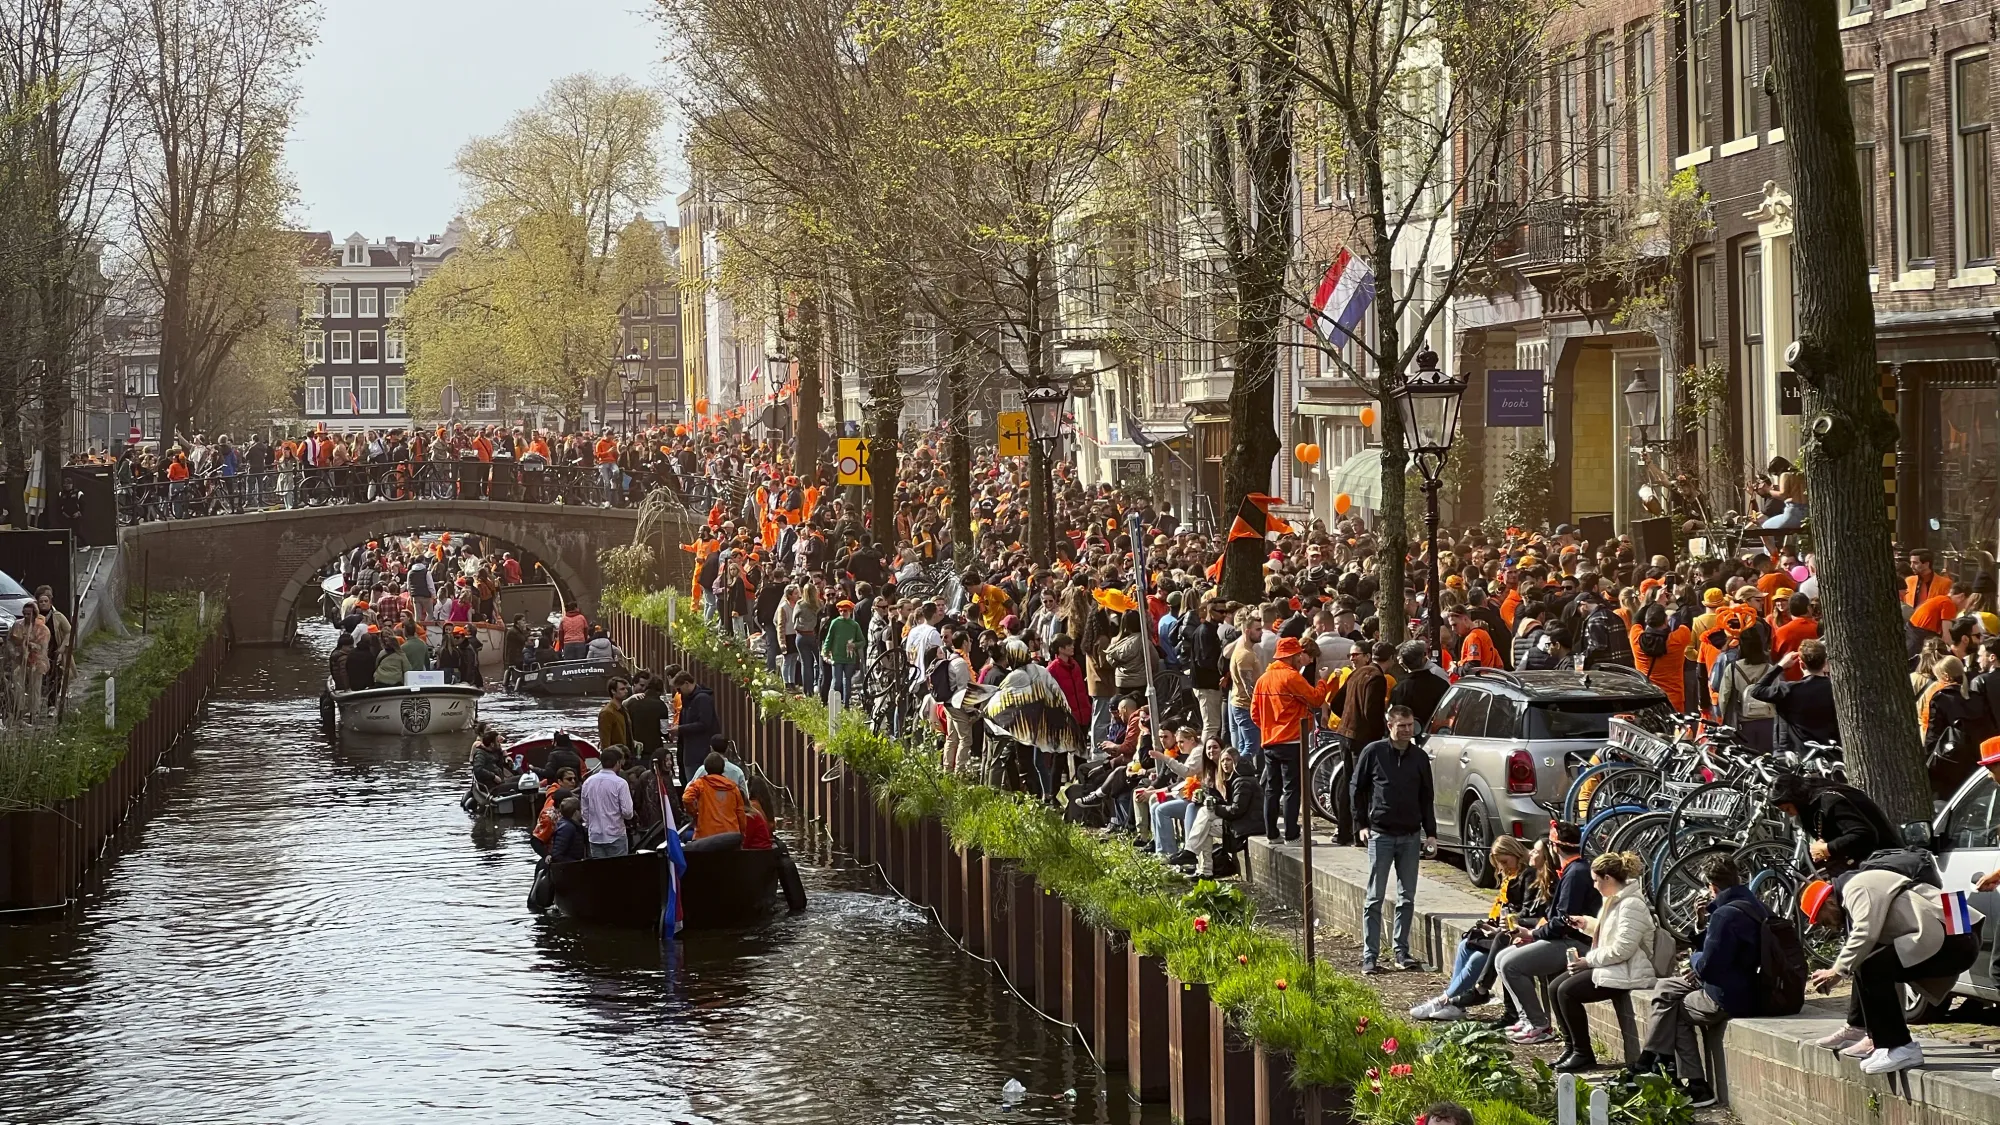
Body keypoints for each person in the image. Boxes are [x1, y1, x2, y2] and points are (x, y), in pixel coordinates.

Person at [1802, 869, 1986, 1075]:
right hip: (1959, 922)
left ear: (1829, 902)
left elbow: (1865, 933)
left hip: (1956, 930)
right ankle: (1879, 1040)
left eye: (1823, 920)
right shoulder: (1858, 886)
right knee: (1869, 964)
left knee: (1871, 966)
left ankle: (1899, 1046)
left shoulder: (1855, 888)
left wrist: (1836, 971)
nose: (1828, 927)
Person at [1634, 855, 1763, 1107]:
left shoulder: (1725, 916)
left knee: (1677, 1011)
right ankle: (1653, 1058)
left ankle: (1694, 1082)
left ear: (1712, 887)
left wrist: (1695, 961)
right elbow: (1720, 952)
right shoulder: (1752, 904)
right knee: (1664, 987)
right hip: (1744, 982)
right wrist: (1702, 921)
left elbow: (1708, 966)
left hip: (1728, 994)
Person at [1549, 850, 1658, 1073]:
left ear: (1608, 878)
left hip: (1629, 971)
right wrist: (1587, 925)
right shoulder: (1613, 900)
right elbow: (1610, 934)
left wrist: (1588, 961)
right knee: (1554, 987)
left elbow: (1622, 949)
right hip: (1614, 966)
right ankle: (1571, 1047)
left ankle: (1583, 1053)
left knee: (1567, 991)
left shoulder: (1631, 905)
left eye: (1596, 880)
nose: (1594, 885)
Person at [1495, 820, 1601, 1045]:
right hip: (1564, 937)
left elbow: (1564, 922)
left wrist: (1533, 935)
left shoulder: (1575, 874)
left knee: (1510, 965)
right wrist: (1532, 931)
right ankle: (1526, 1018)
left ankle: (1539, 1024)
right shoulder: (1573, 870)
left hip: (1576, 942)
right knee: (1501, 958)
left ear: (1555, 847)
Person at [1350, 705, 1436, 974]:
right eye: (1402, 726)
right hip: (1381, 834)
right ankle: (1370, 956)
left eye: (1410, 725)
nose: (1407, 730)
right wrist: (1361, 825)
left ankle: (1401, 951)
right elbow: (1356, 788)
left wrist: (1430, 833)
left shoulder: (1420, 757)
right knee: (1374, 898)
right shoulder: (1374, 752)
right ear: (1390, 726)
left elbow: (1426, 796)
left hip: (1410, 836)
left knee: (1407, 897)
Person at [1411, 835, 1533, 1021]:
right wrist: (1490, 925)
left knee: (1478, 958)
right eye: (1498, 864)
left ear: (1516, 854)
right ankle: (1455, 1005)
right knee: (1465, 945)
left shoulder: (1527, 875)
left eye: (1504, 862)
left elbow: (1525, 911)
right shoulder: (1508, 875)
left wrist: (1507, 922)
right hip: (1501, 930)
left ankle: (1445, 1000)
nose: (1502, 867)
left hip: (1516, 931)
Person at [1250, 636, 1336, 843]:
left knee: (1272, 788)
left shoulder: (1263, 679)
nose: (1300, 658)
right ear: (1292, 656)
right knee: (1292, 788)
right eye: (1298, 655)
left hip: (1269, 741)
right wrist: (1324, 681)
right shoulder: (1291, 677)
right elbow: (1315, 699)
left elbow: (1254, 714)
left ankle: (1272, 834)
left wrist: (1270, 727)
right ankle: (1292, 834)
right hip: (1291, 740)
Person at [1771, 772, 1895, 876]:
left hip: (1884, 861)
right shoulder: (1816, 802)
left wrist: (1827, 848)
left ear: (1796, 799)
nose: (1791, 815)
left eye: (1788, 809)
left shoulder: (1830, 802)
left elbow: (1864, 835)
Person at [1175, 745, 1262, 877]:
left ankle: (1194, 856)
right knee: (1205, 823)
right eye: (1222, 761)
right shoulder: (1233, 778)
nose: (1225, 764)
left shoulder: (1243, 781)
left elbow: (1236, 810)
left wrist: (1215, 808)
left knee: (1205, 821)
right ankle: (1203, 868)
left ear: (1236, 761)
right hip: (1241, 821)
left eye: (1228, 760)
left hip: (1249, 825)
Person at [1750, 638, 1839, 750]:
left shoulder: (1789, 690)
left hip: (1800, 752)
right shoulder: (1836, 689)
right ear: (1825, 663)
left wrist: (1780, 666)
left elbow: (1756, 690)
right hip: (1833, 748)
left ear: (1801, 664)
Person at [580, 745, 634, 857]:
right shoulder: (620, 783)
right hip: (616, 834)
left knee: (600, 872)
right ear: (618, 763)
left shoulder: (588, 782)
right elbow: (628, 813)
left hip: (595, 836)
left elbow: (585, 812)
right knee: (618, 871)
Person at [684, 750, 750, 840]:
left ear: (706, 768)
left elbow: (686, 798)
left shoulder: (700, 784)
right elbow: (740, 814)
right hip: (730, 835)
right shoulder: (733, 788)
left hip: (705, 835)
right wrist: (741, 834)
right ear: (723, 768)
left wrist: (695, 813)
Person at [548, 797, 590, 863]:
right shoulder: (567, 828)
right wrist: (577, 863)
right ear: (576, 812)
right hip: (570, 867)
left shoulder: (576, 825)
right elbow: (557, 855)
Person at [599, 677, 632, 750]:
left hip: (628, 755)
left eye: (626, 689)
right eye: (622, 689)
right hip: (617, 756)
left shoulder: (624, 710)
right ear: (613, 691)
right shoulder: (607, 712)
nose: (626, 691)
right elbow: (605, 741)